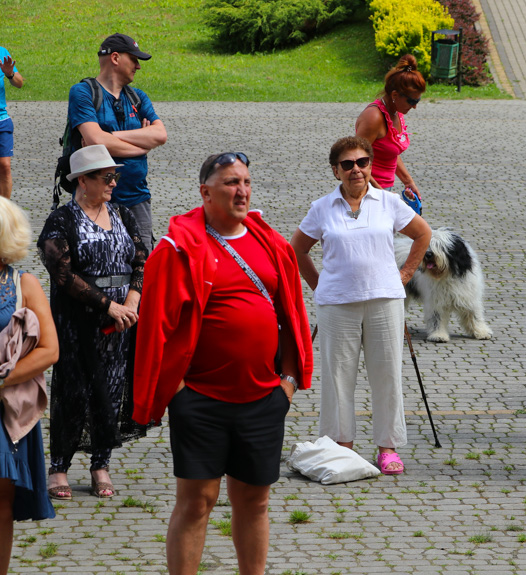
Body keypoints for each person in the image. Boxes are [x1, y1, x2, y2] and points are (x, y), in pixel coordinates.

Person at [133, 152, 313, 575]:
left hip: (263, 398)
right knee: (197, 503)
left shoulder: (270, 243)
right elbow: (154, 327)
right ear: (205, 192)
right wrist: (176, 392)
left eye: (246, 182)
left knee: (256, 501)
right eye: (231, 182)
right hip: (201, 401)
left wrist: (287, 381)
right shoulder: (177, 248)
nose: (242, 191)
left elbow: (292, 315)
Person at [291, 136, 431, 475]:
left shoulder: (389, 202)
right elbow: (296, 250)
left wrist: (406, 273)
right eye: (348, 165)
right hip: (337, 304)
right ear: (336, 171)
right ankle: (343, 448)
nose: (356, 170)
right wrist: (319, 284)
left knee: (387, 376)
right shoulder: (321, 207)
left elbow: (423, 234)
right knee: (338, 378)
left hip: (385, 300)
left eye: (362, 162)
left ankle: (387, 447)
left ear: (370, 165)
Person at [37, 144, 147, 500]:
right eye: (107, 177)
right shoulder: (62, 220)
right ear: (83, 180)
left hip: (121, 323)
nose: (114, 183)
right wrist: (107, 306)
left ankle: (101, 462)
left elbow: (142, 259)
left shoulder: (123, 214)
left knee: (112, 390)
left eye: (115, 176)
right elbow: (63, 275)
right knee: (73, 390)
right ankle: (59, 467)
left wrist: (132, 299)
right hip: (78, 323)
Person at [0, 197, 58, 575]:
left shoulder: (24, 284)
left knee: (1, 502)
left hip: (7, 410)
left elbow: (50, 350)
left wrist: (2, 377)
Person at [68, 33, 167, 250]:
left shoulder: (138, 97)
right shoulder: (83, 92)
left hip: (137, 200)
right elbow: (94, 139)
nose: (138, 66)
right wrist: (142, 147)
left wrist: (110, 136)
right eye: (134, 59)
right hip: (93, 201)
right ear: (115, 58)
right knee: (95, 268)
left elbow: (160, 135)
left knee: (141, 274)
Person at [355, 54, 425, 201]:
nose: (415, 106)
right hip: (366, 192)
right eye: (412, 101)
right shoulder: (374, 118)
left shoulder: (395, 111)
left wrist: (408, 181)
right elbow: (355, 162)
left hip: (384, 190)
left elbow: (390, 151)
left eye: (418, 100)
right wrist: (382, 195)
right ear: (395, 95)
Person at [0, 47, 23, 199]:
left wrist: (10, 74)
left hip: (1, 119)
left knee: (5, 167)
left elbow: (19, 83)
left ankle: (4, 213)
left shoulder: (2, 52)